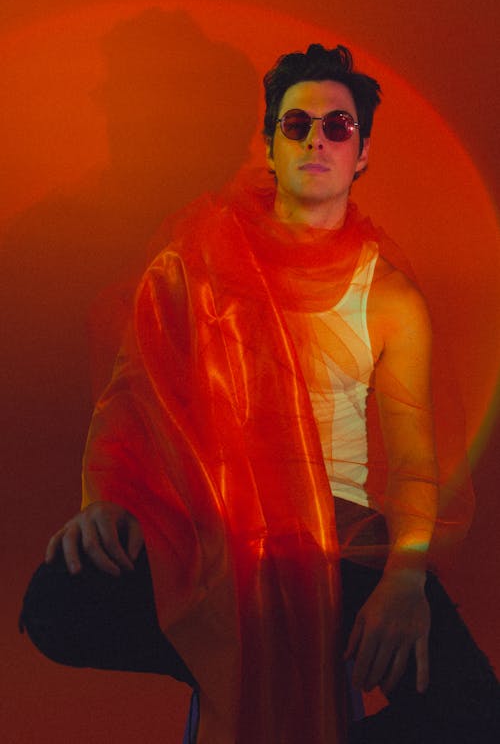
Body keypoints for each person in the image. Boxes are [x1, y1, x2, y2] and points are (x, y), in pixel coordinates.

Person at [21, 44, 499, 744]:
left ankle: (255, 658)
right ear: (271, 146)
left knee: (476, 716)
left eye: (337, 127)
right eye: (296, 125)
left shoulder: (390, 300)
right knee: (57, 605)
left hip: (335, 546)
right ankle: (235, 644)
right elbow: (132, 395)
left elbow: (415, 462)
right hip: (210, 533)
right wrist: (107, 504)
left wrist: (404, 581)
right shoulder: (200, 257)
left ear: (362, 152)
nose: (316, 141)